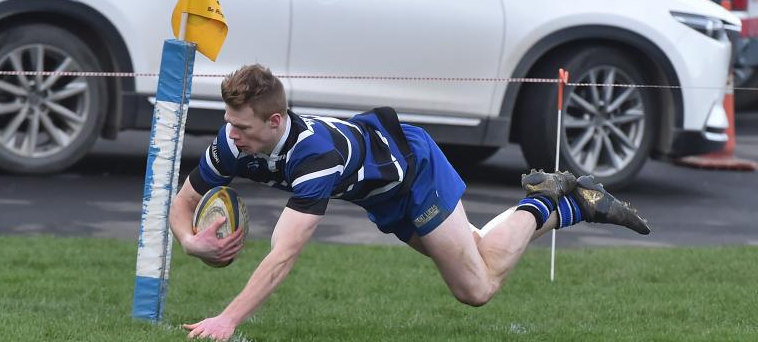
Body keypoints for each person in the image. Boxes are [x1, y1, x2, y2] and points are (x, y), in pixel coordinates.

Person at [170, 65, 650, 341]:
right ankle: (571, 202)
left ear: (275, 121)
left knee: (476, 288)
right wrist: (192, 243)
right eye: (229, 124)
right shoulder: (233, 143)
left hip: (413, 171)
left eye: (243, 127)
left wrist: (227, 319)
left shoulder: (315, 156)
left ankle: (553, 201)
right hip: (381, 194)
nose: (232, 136)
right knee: (477, 251)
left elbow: (284, 252)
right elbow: (183, 202)